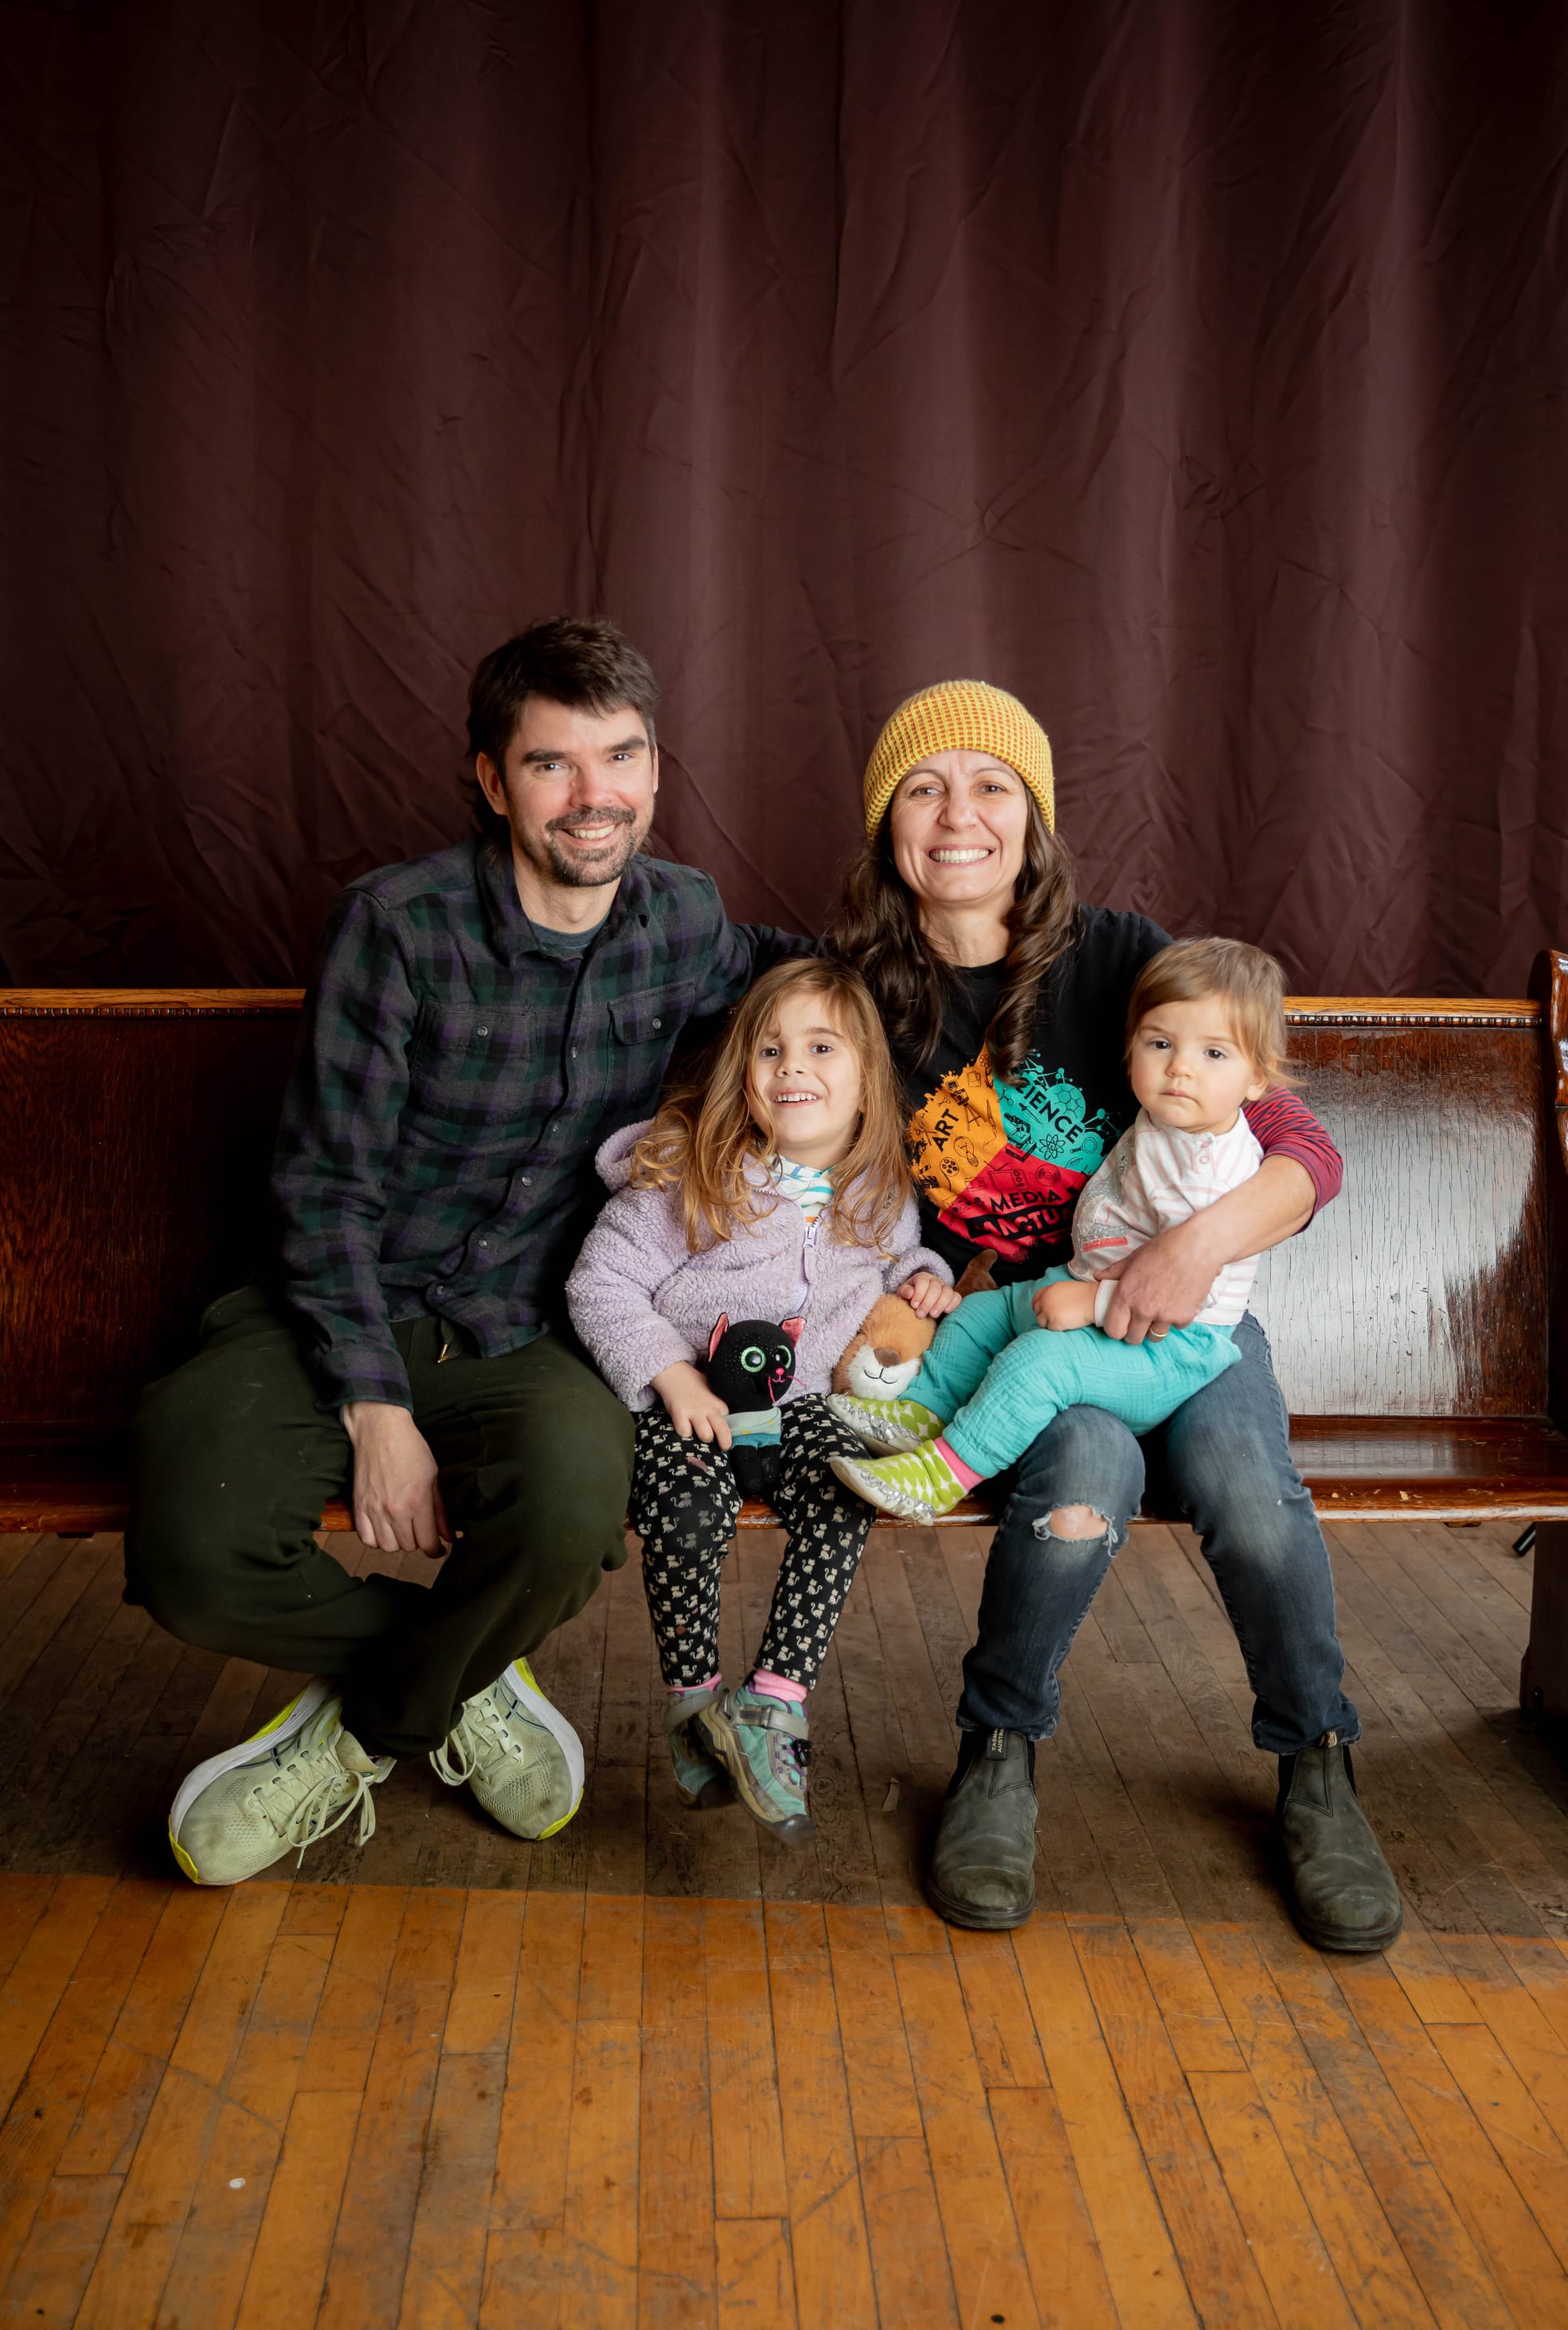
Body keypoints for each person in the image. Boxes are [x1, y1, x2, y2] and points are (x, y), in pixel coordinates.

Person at [127, 617, 800, 1886]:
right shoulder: (396, 925)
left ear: (657, 769)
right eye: (554, 764)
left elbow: (815, 988)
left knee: (571, 1506)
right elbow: (324, 1186)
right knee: (189, 1545)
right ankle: (463, 1683)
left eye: (623, 756)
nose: (596, 796)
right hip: (332, 1308)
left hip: (524, 1327)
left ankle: (375, 1719)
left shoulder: (685, 919)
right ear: (494, 782)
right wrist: (376, 1405)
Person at [827, 679, 1402, 1953]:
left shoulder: (1120, 954)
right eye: (924, 789)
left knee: (1251, 1499)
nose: (958, 815)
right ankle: (998, 1752)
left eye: (992, 787)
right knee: (1079, 1481)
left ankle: (1317, 1762)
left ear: (1034, 822)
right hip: (1037, 1326)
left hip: (1184, 1316)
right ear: (887, 830)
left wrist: (1195, 1249)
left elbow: (1300, 1141)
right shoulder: (860, 994)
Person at [565, 957, 956, 1845]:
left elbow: (901, 1261)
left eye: (821, 1049)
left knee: (842, 1497)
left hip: (805, 1402)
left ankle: (772, 1706)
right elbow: (601, 1286)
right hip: (688, 1403)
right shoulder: (687, 1176)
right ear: (741, 1076)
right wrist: (667, 1375)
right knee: (685, 1508)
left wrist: (926, 1279)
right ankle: (695, 1699)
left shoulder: (877, 1187)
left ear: (864, 1085)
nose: (792, 1068)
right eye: (770, 1050)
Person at [828, 937, 1278, 1515]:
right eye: (1161, 1044)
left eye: (1215, 1055)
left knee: (1035, 1361)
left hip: (1169, 1343)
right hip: (1086, 1288)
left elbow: (1197, 1286)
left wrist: (1092, 1303)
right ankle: (923, 1407)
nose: (1180, 1069)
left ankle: (943, 1476)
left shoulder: (1209, 1169)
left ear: (1257, 1079)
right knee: (978, 1316)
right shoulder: (1174, 1121)